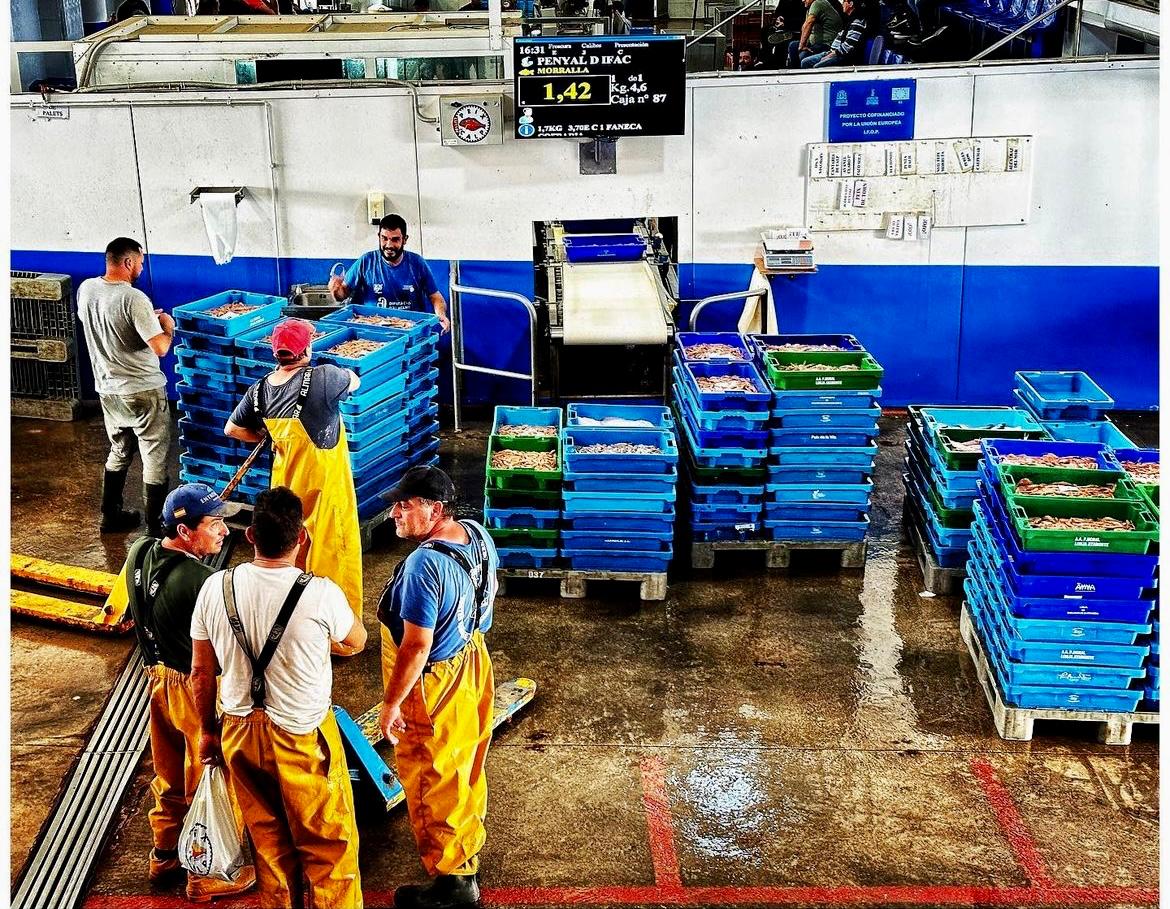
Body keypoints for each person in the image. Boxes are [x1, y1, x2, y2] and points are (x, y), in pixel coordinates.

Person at [191, 486, 367, 909]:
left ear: (249, 536)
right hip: (302, 736)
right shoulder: (321, 593)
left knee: (267, 843)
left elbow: (201, 671)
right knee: (328, 846)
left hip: (238, 732)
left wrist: (206, 733)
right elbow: (356, 641)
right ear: (301, 538)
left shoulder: (216, 588)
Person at [123, 483, 257, 904]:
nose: (224, 532)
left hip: (156, 680)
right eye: (214, 524)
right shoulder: (201, 581)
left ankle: (163, 853)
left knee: (170, 775)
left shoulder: (139, 552)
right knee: (212, 777)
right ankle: (210, 873)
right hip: (192, 686)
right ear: (185, 533)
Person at [376, 466, 498, 909]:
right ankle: (467, 845)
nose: (395, 514)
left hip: (434, 680)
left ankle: (453, 882)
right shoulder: (475, 534)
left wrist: (391, 704)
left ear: (436, 509)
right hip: (472, 659)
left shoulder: (425, 564)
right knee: (465, 760)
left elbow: (415, 646)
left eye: (405, 506)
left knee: (432, 771)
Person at [224, 318, 365, 656]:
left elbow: (232, 429)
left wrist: (263, 435)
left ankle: (289, 629)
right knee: (333, 555)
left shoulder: (258, 391)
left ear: (276, 352)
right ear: (306, 349)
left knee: (290, 556)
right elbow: (356, 381)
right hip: (326, 489)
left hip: (286, 488)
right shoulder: (325, 377)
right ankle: (336, 640)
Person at [77, 237, 174, 537]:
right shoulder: (133, 299)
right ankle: (156, 530)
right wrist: (166, 325)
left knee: (119, 450)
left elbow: (107, 324)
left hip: (108, 390)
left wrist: (145, 319)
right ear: (128, 262)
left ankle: (111, 516)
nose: (141, 269)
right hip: (142, 390)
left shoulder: (87, 290)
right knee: (154, 456)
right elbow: (160, 347)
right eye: (141, 263)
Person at [328, 214, 451, 333]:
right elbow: (342, 294)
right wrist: (335, 290)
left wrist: (441, 315)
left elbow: (435, 296)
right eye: (384, 238)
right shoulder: (366, 261)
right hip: (372, 331)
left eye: (395, 239)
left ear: (405, 239)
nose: (389, 245)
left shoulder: (417, 263)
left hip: (411, 331)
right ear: (379, 237)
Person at [801, 0, 868, 66]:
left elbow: (848, 46)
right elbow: (839, 37)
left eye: (844, 1)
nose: (842, 4)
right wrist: (830, 52)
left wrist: (831, 55)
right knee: (805, 62)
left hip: (842, 57)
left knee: (817, 66)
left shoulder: (857, 22)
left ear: (851, 4)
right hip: (832, 52)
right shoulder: (849, 20)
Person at [784, 0, 843, 66]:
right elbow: (804, 26)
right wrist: (802, 44)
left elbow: (809, 23)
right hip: (815, 44)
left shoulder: (818, 3)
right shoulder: (809, 9)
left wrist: (802, 45)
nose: (803, 0)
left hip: (827, 45)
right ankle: (795, 73)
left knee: (803, 54)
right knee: (793, 45)